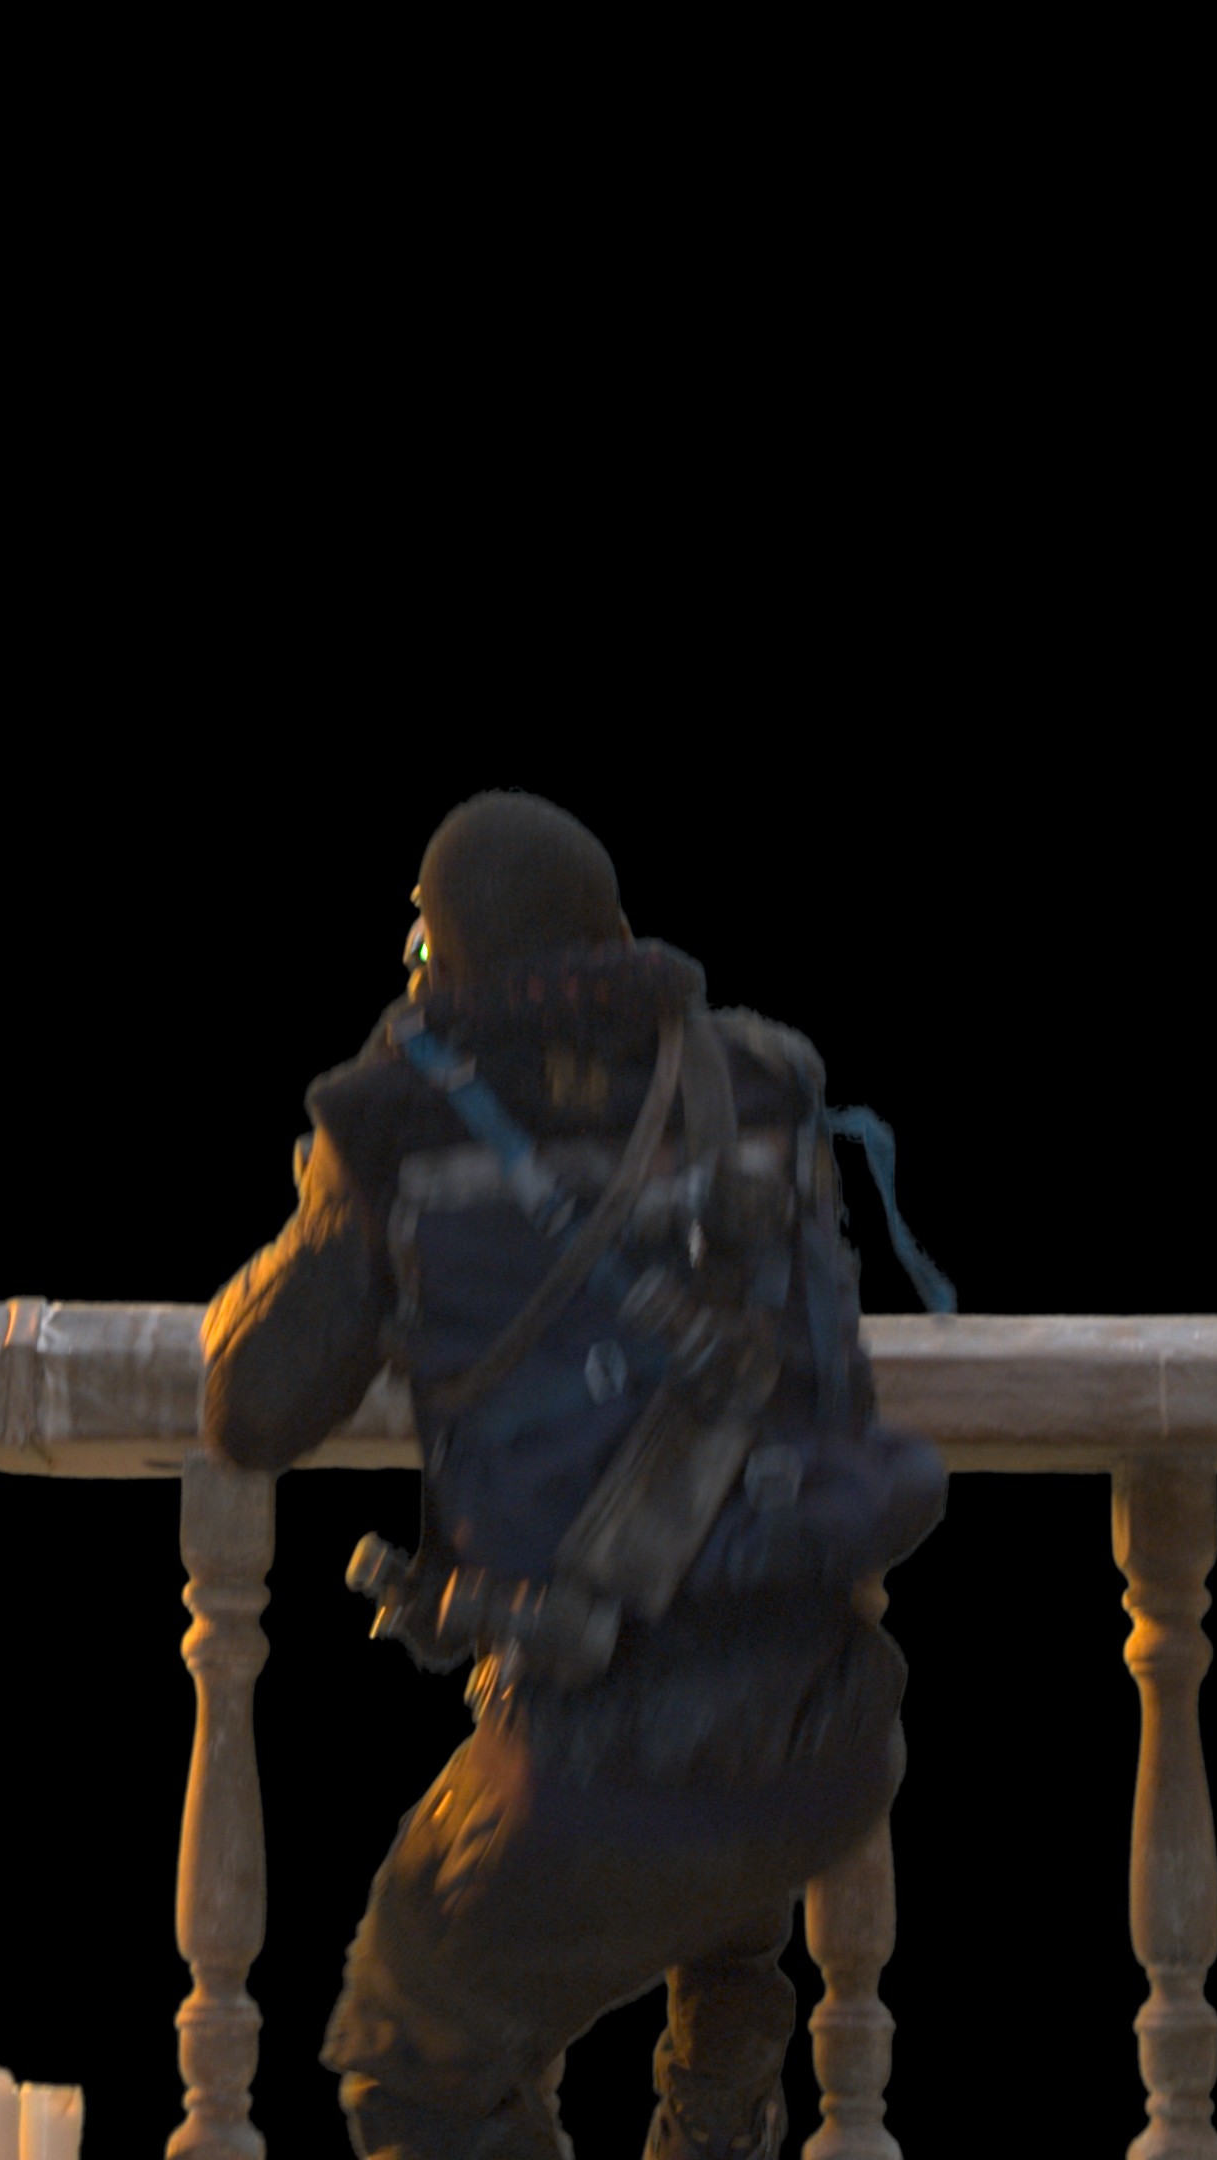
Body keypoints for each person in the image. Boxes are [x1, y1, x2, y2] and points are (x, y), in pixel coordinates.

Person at [201, 791, 949, 2160]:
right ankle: (721, 2095)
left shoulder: (402, 1117)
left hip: (604, 1766)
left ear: (437, 959)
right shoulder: (764, 1074)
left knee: (408, 2060)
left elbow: (250, 1410)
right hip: (830, 1722)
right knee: (715, 1864)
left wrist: (345, 1175)